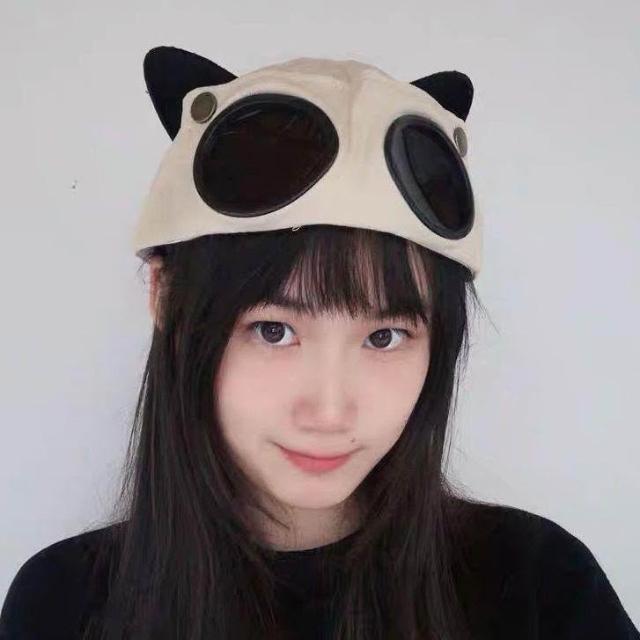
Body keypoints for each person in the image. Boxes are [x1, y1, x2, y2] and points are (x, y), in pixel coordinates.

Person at [0, 45, 637, 640]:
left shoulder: (539, 588)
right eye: (273, 330)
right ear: (165, 298)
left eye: (384, 336)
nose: (329, 411)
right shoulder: (63, 605)